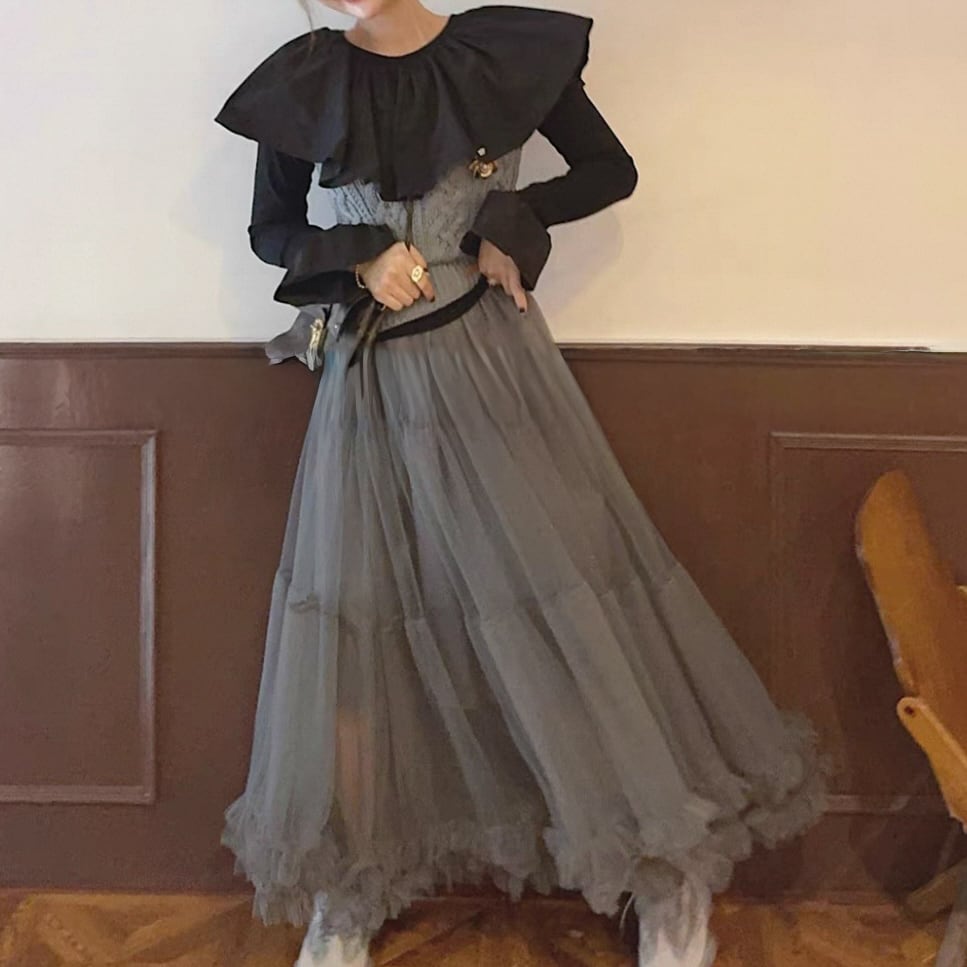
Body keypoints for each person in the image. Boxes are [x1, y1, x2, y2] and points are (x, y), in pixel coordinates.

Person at [213, 3, 827, 966]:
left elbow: (607, 168)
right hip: (369, 392)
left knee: (565, 610)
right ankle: (350, 888)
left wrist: (513, 216)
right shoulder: (305, 79)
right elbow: (271, 230)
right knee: (357, 630)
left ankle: (665, 868)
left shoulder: (496, 54)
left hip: (490, 374)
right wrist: (357, 256)